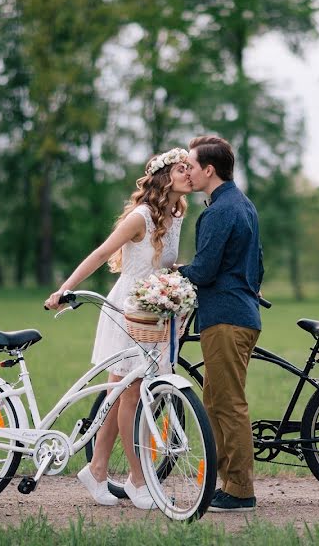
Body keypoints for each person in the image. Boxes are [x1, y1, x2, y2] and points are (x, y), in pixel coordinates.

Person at [44, 148, 191, 510]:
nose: (190, 173)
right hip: (128, 309)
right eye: (182, 168)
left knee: (117, 394)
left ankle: (96, 470)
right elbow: (100, 253)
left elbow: (163, 264)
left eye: (191, 167)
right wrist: (65, 289)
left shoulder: (177, 214)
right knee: (129, 394)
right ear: (164, 176)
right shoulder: (141, 216)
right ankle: (139, 480)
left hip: (156, 311)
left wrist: (181, 278)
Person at [177, 135, 264, 512]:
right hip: (236, 313)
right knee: (215, 400)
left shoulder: (219, 211)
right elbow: (257, 265)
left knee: (228, 404)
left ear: (208, 170)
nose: (188, 173)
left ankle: (241, 491)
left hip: (227, 318)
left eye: (192, 167)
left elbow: (205, 269)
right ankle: (226, 483)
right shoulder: (241, 204)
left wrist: (173, 273)